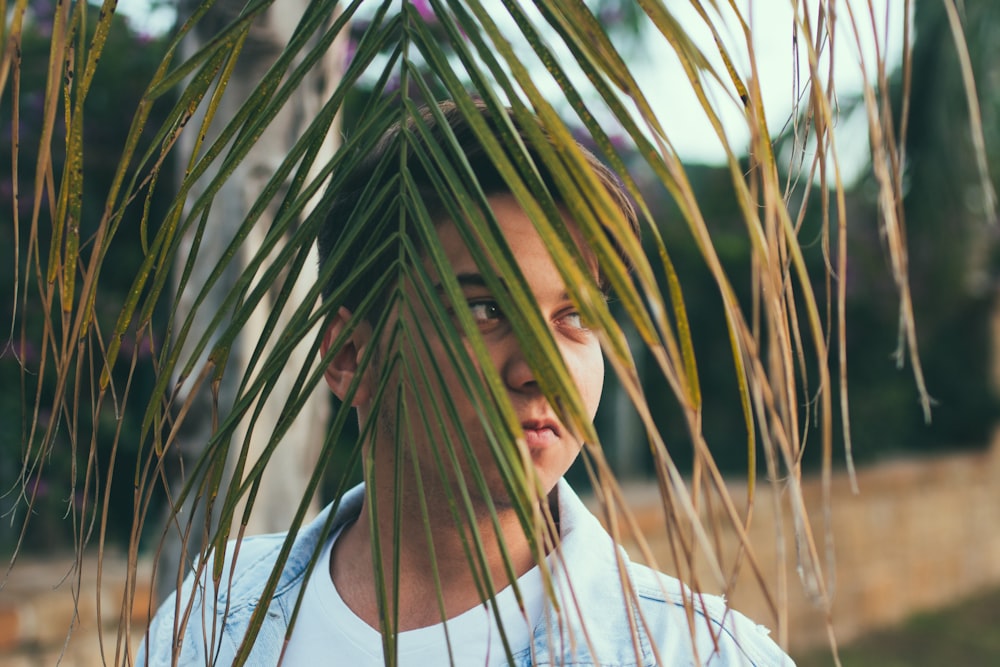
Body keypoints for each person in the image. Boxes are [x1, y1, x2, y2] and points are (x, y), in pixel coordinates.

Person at [140, 100, 793, 666]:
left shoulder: (695, 651)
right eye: (484, 309)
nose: (540, 367)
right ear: (348, 355)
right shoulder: (210, 625)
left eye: (576, 318)